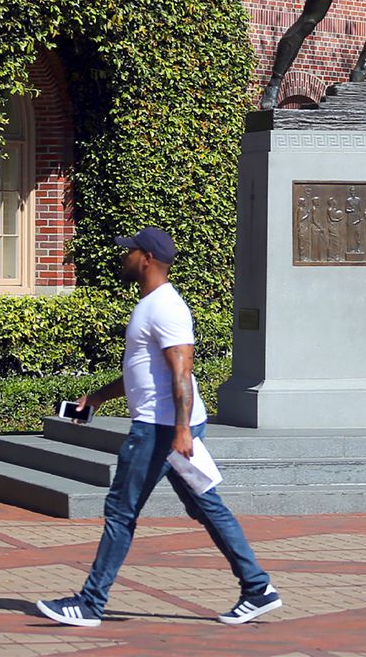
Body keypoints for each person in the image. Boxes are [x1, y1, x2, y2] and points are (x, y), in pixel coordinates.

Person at [35, 226, 283, 626]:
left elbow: (181, 371)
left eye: (128, 251)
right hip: (171, 426)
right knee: (207, 506)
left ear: (146, 258)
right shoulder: (152, 304)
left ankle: (90, 603)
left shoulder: (165, 307)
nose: (123, 257)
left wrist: (181, 431)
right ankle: (257, 588)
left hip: (159, 430)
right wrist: (97, 397)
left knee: (120, 511)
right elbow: (143, 372)